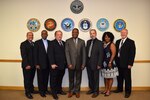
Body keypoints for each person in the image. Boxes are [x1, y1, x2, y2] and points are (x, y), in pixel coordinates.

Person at [114, 29, 136, 98]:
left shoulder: (131, 42)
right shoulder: (117, 41)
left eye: (124, 32)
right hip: (118, 63)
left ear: (127, 33)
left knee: (127, 78)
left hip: (126, 64)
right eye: (122, 32)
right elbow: (116, 52)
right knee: (119, 77)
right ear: (120, 33)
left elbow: (132, 54)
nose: (123, 34)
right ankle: (120, 89)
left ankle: (128, 92)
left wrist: (130, 64)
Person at [65, 28, 86, 98]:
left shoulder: (82, 41)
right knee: (71, 79)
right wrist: (69, 63)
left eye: (76, 32)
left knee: (78, 78)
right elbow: (67, 53)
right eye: (73, 32)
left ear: (78, 33)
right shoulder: (68, 41)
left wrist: (83, 64)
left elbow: (84, 54)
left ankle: (77, 91)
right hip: (71, 64)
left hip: (79, 64)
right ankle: (71, 91)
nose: (74, 33)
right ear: (72, 33)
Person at [48, 30, 67, 100]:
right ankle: (54, 93)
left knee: (60, 79)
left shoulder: (64, 43)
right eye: (58, 34)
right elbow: (50, 54)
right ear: (55, 35)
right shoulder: (51, 43)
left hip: (62, 65)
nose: (59, 36)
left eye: (60, 34)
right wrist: (52, 63)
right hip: (55, 66)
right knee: (53, 80)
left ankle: (59, 90)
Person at [86, 29, 103, 98]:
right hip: (88, 63)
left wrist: (99, 64)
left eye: (93, 33)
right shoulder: (88, 42)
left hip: (96, 64)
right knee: (90, 77)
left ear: (95, 34)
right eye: (91, 33)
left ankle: (96, 91)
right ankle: (92, 89)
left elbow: (101, 54)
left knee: (95, 78)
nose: (92, 34)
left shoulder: (100, 42)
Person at [20, 32, 37, 99]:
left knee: (31, 79)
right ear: (26, 36)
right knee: (27, 79)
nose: (31, 36)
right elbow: (23, 55)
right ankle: (27, 92)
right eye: (29, 35)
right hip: (27, 66)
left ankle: (31, 90)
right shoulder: (23, 44)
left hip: (33, 66)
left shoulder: (34, 44)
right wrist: (27, 64)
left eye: (32, 35)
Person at [101, 32, 119, 96]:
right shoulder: (103, 44)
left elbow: (113, 54)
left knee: (110, 77)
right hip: (104, 63)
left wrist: (110, 62)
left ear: (111, 38)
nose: (107, 38)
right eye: (105, 37)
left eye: (108, 37)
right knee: (106, 77)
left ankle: (109, 90)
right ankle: (106, 89)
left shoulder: (112, 44)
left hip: (110, 63)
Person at [34, 30, 50, 97]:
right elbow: (35, 54)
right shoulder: (37, 42)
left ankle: (45, 90)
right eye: (43, 34)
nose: (44, 35)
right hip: (40, 64)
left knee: (46, 78)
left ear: (47, 34)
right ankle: (41, 91)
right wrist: (36, 64)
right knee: (40, 78)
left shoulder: (50, 42)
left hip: (48, 64)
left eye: (45, 34)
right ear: (41, 34)